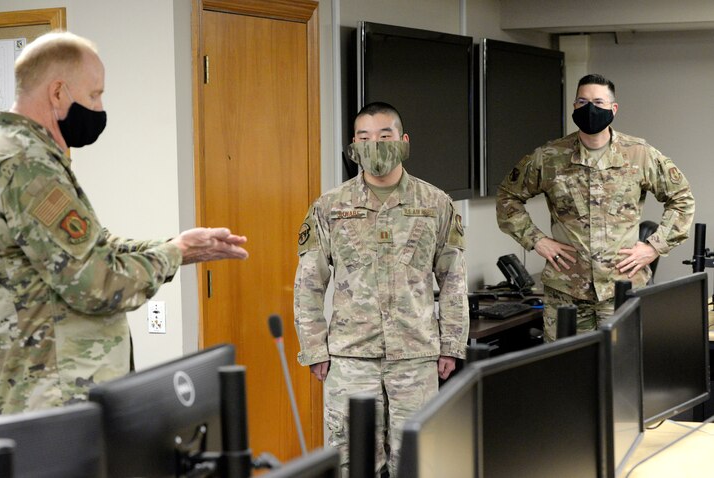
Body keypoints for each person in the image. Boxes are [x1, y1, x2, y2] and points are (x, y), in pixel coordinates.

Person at [0, 31, 249, 415]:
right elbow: (96, 282)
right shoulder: (24, 165)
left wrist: (175, 247)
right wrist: (173, 254)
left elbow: (92, 247)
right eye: (95, 94)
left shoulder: (32, 155)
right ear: (58, 93)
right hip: (53, 401)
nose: (100, 106)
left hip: (65, 394)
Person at [294, 102, 468, 477]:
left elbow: (453, 280)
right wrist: (314, 348)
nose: (374, 144)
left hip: (416, 357)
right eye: (364, 138)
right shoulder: (330, 207)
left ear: (403, 142)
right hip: (351, 358)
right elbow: (308, 284)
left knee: (418, 461)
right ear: (353, 147)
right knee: (352, 462)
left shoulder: (436, 204)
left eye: (384, 136)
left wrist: (452, 344)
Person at [496, 73, 694, 341]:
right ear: (575, 108)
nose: (591, 109)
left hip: (622, 288)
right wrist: (537, 240)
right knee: (565, 371)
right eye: (583, 101)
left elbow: (681, 198)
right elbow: (507, 196)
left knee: (622, 372)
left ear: (613, 109)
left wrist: (654, 246)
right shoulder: (549, 156)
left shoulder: (639, 154)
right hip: (566, 291)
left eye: (599, 102)